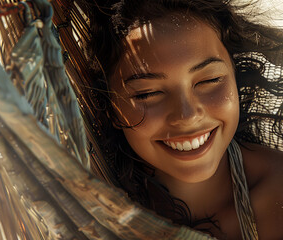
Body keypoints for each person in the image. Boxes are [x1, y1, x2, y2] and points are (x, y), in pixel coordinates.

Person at [68, 0, 283, 239]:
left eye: (208, 80)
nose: (187, 115)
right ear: (110, 107)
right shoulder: (87, 214)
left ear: (236, 75)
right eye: (147, 94)